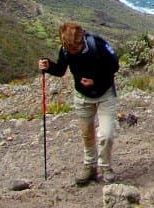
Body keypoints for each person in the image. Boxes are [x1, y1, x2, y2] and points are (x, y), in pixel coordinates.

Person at [38, 22, 120, 185]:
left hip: (105, 94)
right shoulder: (65, 50)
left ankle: (105, 167)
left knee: (106, 134)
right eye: (69, 49)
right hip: (82, 97)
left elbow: (114, 66)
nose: (72, 52)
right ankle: (89, 166)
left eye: (75, 49)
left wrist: (95, 80)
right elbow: (60, 70)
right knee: (87, 134)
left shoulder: (97, 45)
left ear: (82, 40)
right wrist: (48, 66)